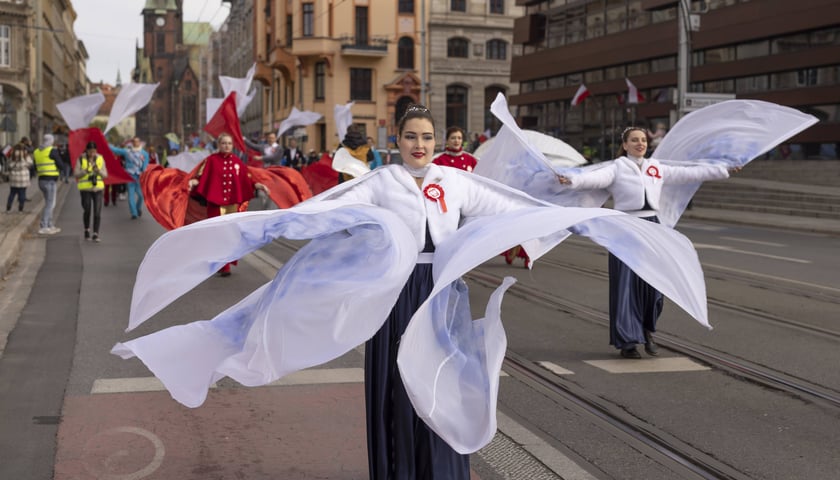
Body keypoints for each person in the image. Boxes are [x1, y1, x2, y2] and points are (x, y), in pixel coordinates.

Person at [113, 108, 715, 480]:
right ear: (395, 139)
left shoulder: (456, 182)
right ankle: (399, 468)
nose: (421, 145)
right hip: (394, 295)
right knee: (398, 386)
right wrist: (256, 225)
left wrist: (588, 220)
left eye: (427, 136)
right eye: (411, 136)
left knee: (447, 378)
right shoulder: (382, 183)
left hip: (442, 294)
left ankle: (443, 469)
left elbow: (519, 209)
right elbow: (322, 212)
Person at [557, 127, 736, 359]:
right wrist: (571, 179)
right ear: (625, 145)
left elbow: (691, 173)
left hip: (653, 227)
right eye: (634, 140)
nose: (640, 144)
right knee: (625, 286)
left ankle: (647, 330)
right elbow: (593, 179)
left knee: (655, 286)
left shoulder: (656, 167)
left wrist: (724, 170)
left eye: (643, 140)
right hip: (625, 229)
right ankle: (628, 341)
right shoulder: (617, 168)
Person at [188, 132, 269, 276]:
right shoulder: (211, 160)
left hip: (232, 204)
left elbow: (247, 178)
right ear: (219, 145)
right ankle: (216, 262)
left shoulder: (237, 161)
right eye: (224, 143)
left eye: (229, 143)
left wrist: (258, 185)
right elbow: (201, 177)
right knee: (217, 234)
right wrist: (192, 182)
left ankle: (225, 266)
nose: (226, 146)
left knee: (230, 235)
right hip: (215, 204)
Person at [74, 141, 108, 242]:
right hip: (85, 188)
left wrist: (98, 171)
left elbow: (105, 175)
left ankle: (96, 233)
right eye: (90, 152)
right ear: (87, 151)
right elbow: (76, 174)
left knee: (97, 212)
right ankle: (87, 230)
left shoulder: (100, 158)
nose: (92, 154)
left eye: (94, 151)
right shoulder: (81, 158)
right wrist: (85, 171)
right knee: (87, 210)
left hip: (97, 188)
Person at [109, 137, 149, 219]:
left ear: (139, 143)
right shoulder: (127, 152)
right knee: (131, 195)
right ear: (132, 143)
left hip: (139, 177)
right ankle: (134, 213)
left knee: (141, 195)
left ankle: (138, 208)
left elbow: (145, 165)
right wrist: (105, 142)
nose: (136, 143)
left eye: (137, 141)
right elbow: (115, 150)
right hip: (130, 176)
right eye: (134, 142)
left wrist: (144, 172)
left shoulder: (144, 153)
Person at [34, 134, 66, 235]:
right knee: (50, 204)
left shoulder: (36, 151)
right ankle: (44, 226)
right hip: (50, 181)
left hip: (41, 180)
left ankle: (50, 225)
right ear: (51, 141)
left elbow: (35, 167)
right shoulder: (52, 150)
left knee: (49, 203)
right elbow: (61, 165)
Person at [5, 143, 33, 214]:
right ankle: (20, 209)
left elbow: (8, 164)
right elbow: (30, 163)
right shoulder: (25, 155)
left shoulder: (12, 155)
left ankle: (8, 208)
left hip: (14, 177)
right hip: (23, 177)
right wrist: (25, 166)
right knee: (22, 193)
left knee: (12, 193)